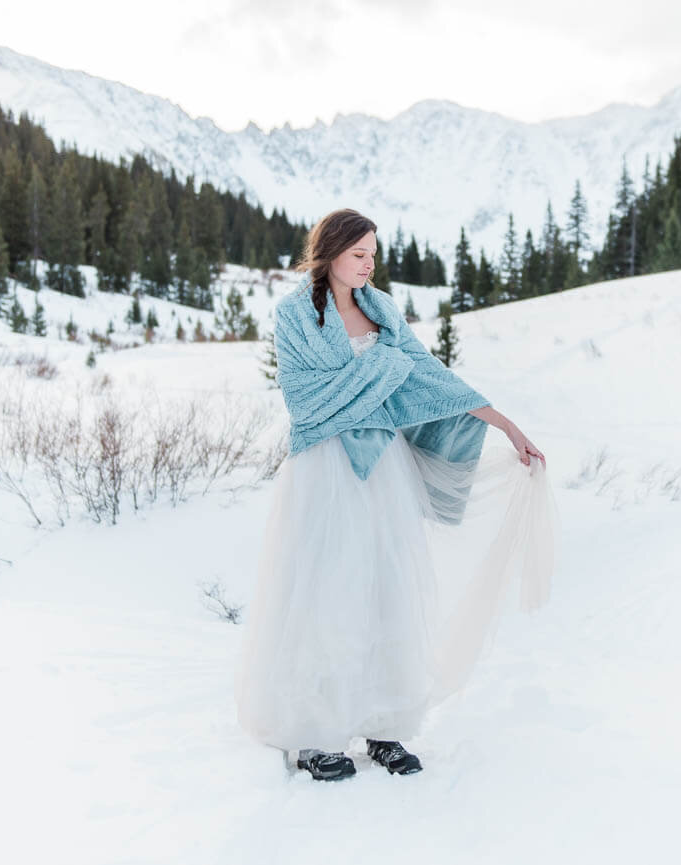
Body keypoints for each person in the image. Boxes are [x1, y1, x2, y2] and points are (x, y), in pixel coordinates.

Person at [234, 208, 558, 781]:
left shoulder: (381, 310)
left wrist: (505, 423)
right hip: (324, 468)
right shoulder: (294, 316)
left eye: (373, 255)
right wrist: (384, 367)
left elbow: (428, 376)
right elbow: (307, 403)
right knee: (327, 593)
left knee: (388, 589)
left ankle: (382, 725)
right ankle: (315, 733)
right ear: (330, 252)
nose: (368, 264)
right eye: (359, 254)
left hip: (383, 468)